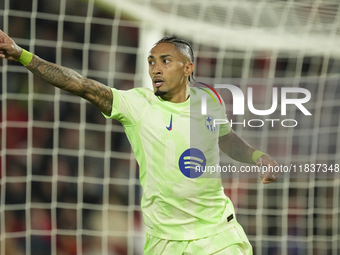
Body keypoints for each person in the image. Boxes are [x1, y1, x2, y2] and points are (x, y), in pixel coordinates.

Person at [0, 30, 279, 254]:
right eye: (151, 62)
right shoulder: (138, 104)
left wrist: (258, 157)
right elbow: (81, 84)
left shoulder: (210, 102)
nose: (155, 69)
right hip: (164, 240)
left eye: (165, 61)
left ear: (187, 68)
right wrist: (23, 56)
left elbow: (226, 138)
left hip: (218, 234)